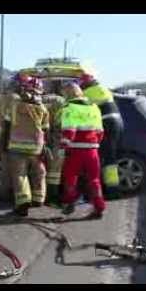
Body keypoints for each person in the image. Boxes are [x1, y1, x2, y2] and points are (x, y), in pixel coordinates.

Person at [3, 74, 50, 217]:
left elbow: (7, 123)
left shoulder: (15, 105)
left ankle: (23, 204)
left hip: (17, 146)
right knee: (38, 173)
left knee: (20, 175)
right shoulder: (43, 109)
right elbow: (45, 128)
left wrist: (5, 142)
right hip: (36, 147)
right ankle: (38, 199)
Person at [59, 82, 106, 219]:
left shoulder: (69, 107)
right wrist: (94, 143)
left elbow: (69, 130)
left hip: (76, 149)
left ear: (68, 94)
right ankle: (99, 207)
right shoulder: (94, 107)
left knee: (70, 177)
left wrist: (63, 147)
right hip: (92, 150)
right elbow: (100, 131)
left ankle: (69, 203)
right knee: (94, 180)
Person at [80, 73, 124, 198]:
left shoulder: (87, 93)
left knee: (101, 157)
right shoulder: (104, 89)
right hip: (118, 123)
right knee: (111, 157)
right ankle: (112, 189)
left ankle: (104, 191)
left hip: (107, 123)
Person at [42, 80, 66, 207]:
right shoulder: (61, 102)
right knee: (55, 172)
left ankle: (41, 195)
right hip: (57, 139)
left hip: (39, 138)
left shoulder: (40, 100)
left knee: (40, 169)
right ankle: (53, 197)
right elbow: (61, 124)